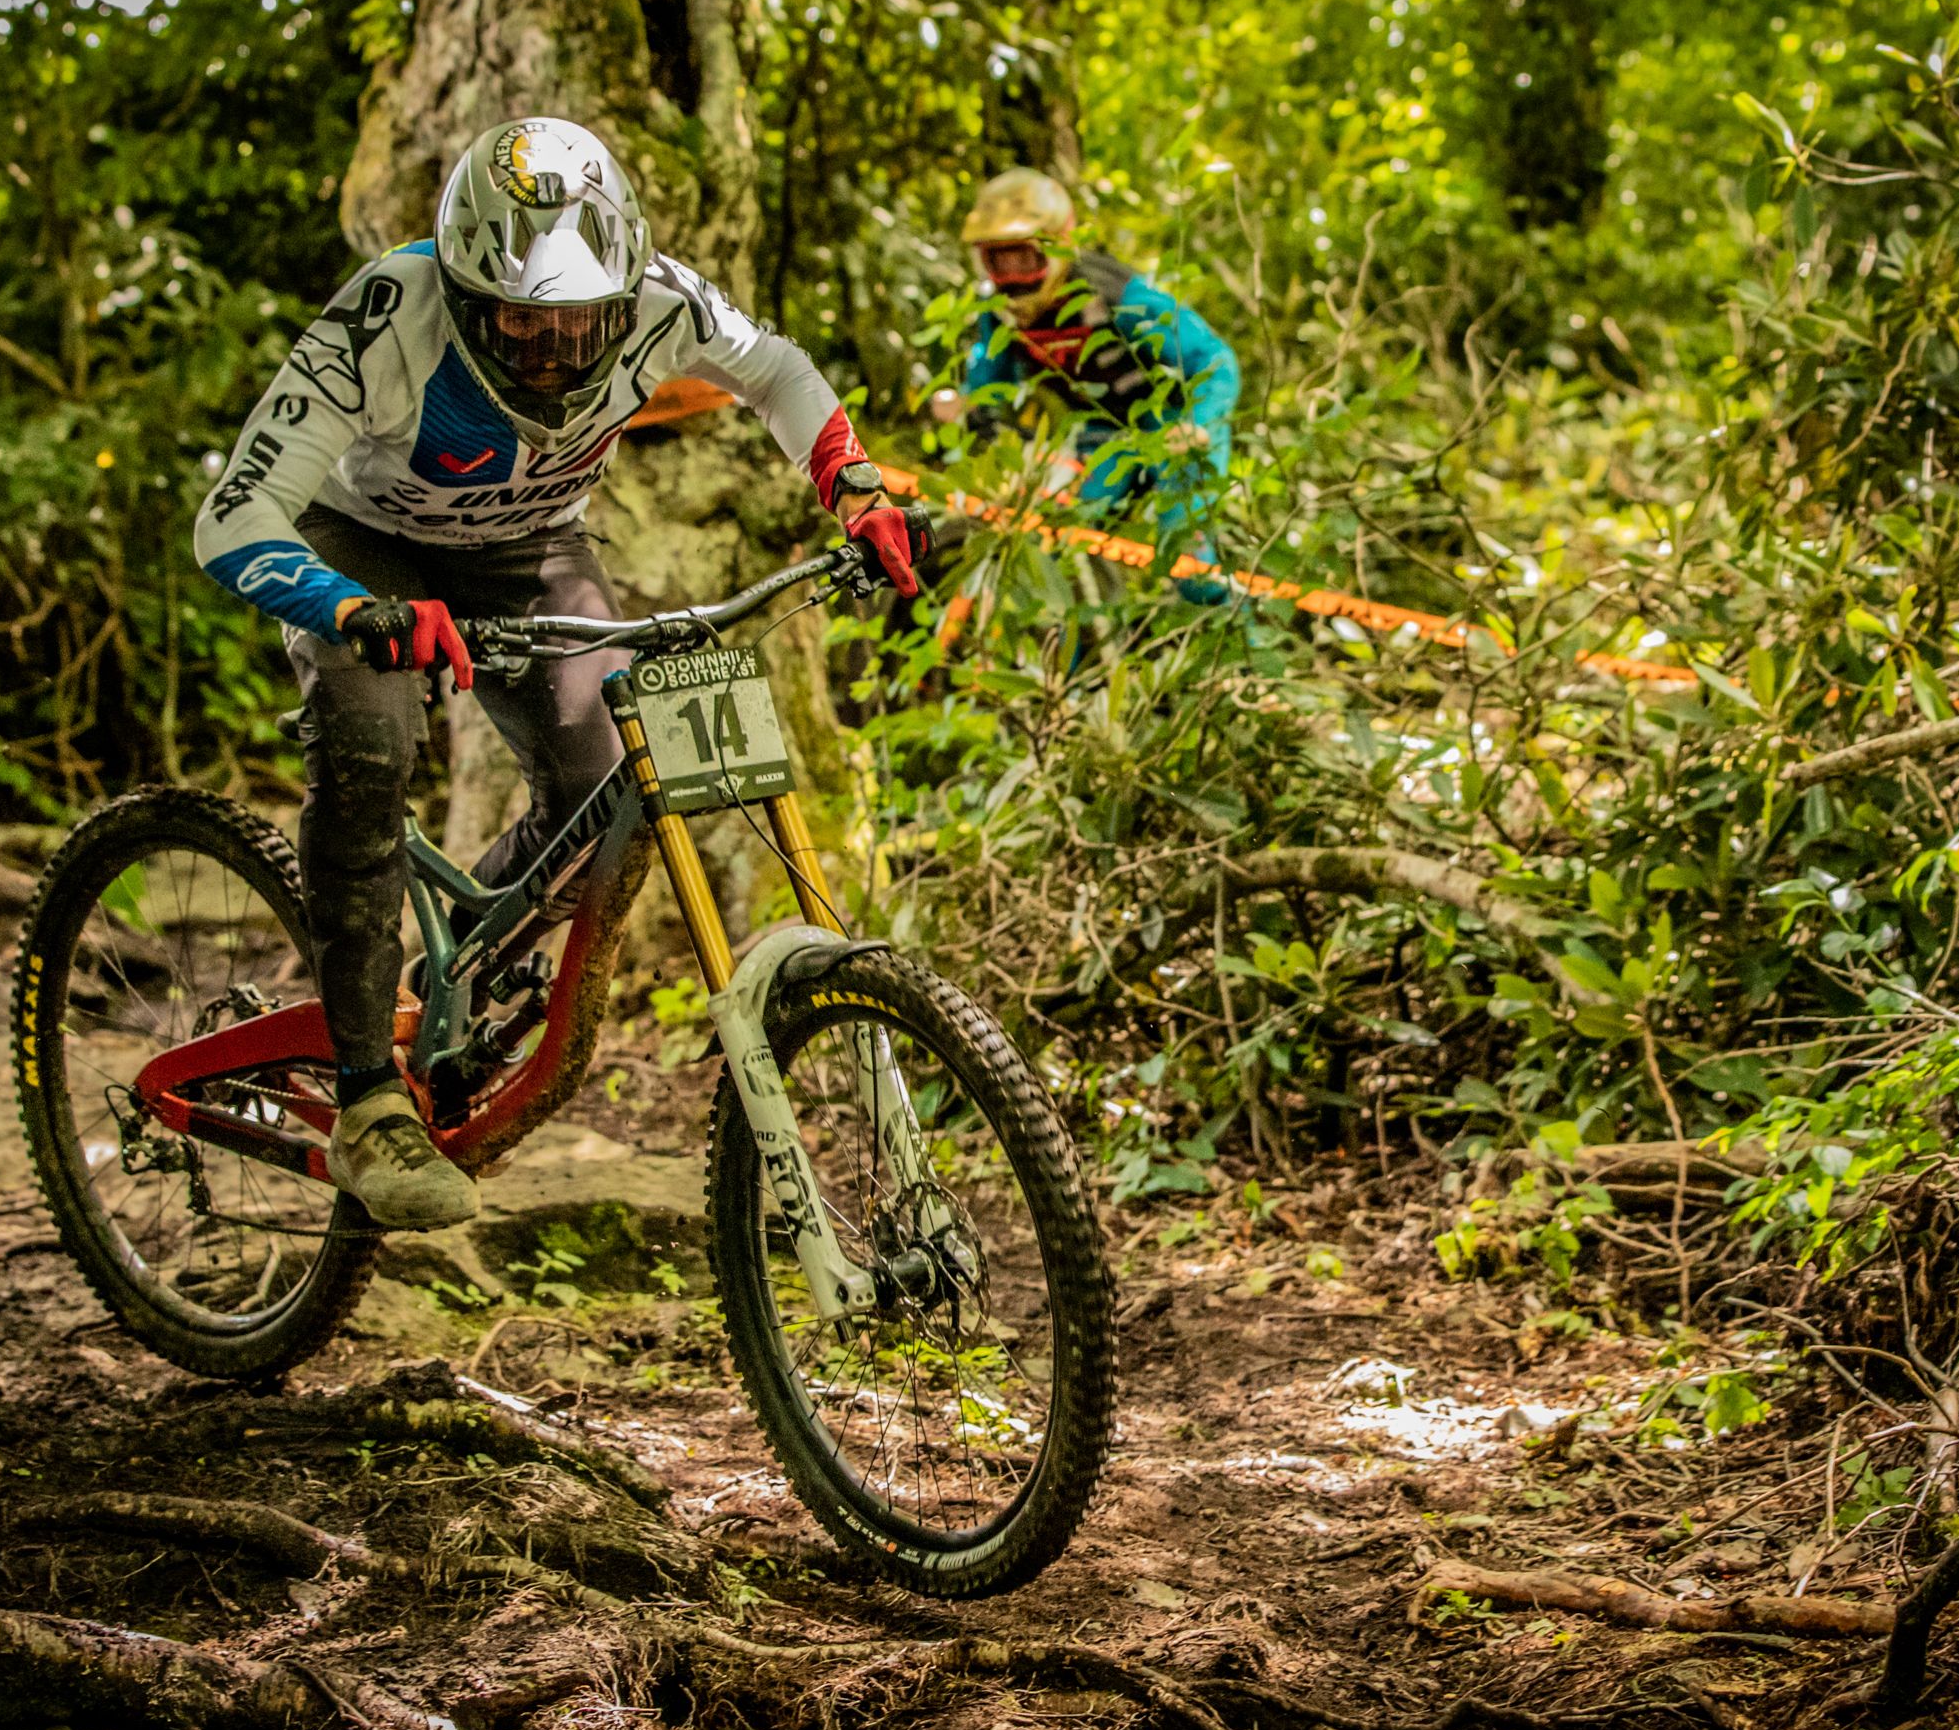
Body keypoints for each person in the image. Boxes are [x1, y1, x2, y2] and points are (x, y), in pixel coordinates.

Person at [193, 116, 922, 1233]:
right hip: (361, 549)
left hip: (528, 547)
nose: (551, 347)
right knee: (370, 743)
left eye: (579, 322)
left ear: (624, 291)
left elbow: (774, 370)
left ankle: (453, 977)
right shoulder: (389, 314)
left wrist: (853, 482)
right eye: (519, 321)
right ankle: (367, 1100)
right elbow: (233, 516)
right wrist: (343, 608)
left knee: (608, 778)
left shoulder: (666, 296)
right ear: (461, 288)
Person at [927, 168, 1240, 604]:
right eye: (1001, 259)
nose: (1014, 275)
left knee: (1189, 561)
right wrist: (965, 404)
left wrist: (1200, 422)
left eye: (1025, 257)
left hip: (1173, 428)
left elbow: (1215, 358)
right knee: (1065, 548)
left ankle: (1238, 650)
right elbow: (990, 383)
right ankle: (1083, 662)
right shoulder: (995, 309)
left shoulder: (1112, 293)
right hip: (1101, 436)